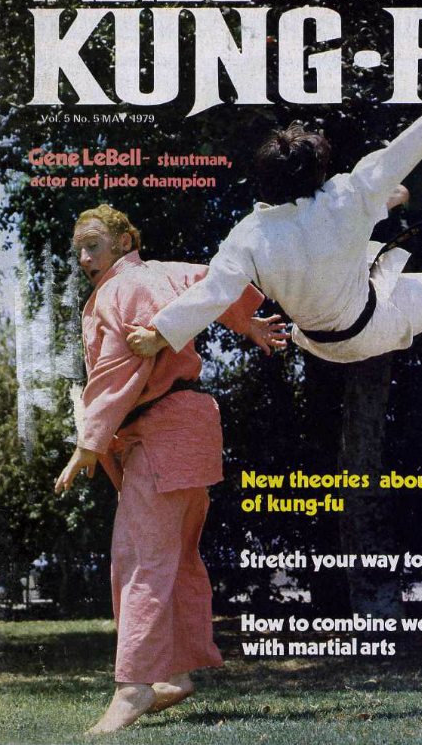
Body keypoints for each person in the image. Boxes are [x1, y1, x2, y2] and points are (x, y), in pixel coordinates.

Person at [127, 61, 422, 399]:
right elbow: (396, 157)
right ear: (318, 173)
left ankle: (382, 209)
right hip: (371, 325)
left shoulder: (247, 235)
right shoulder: (344, 194)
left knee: (362, 247)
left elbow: (212, 293)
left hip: (317, 342)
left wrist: (157, 336)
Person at [54, 204, 288, 734]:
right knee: (173, 558)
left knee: (138, 557)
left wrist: (88, 442)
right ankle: (175, 675)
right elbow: (215, 282)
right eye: (79, 250)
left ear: (123, 240)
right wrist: (246, 322)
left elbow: (122, 363)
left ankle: (135, 685)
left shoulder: (126, 285)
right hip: (186, 432)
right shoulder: (161, 273)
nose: (85, 258)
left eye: (93, 245)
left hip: (163, 432)